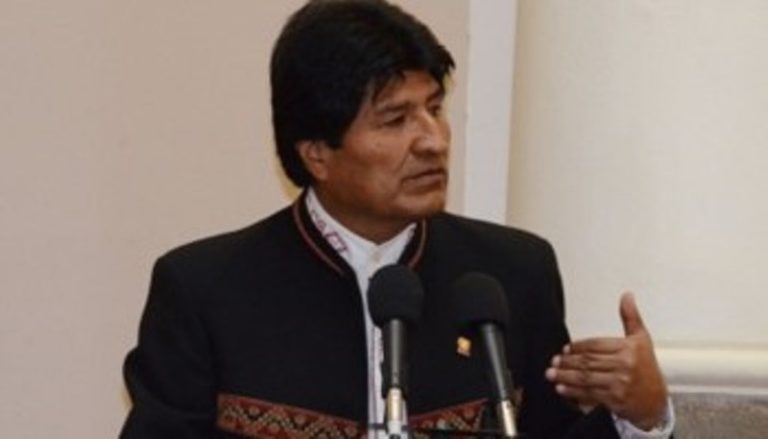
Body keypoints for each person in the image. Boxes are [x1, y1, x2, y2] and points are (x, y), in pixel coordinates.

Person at [121, 1, 674, 437]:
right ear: (317, 153)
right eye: (395, 120)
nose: (433, 141)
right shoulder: (206, 292)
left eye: (433, 108)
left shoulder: (509, 275)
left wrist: (643, 415)